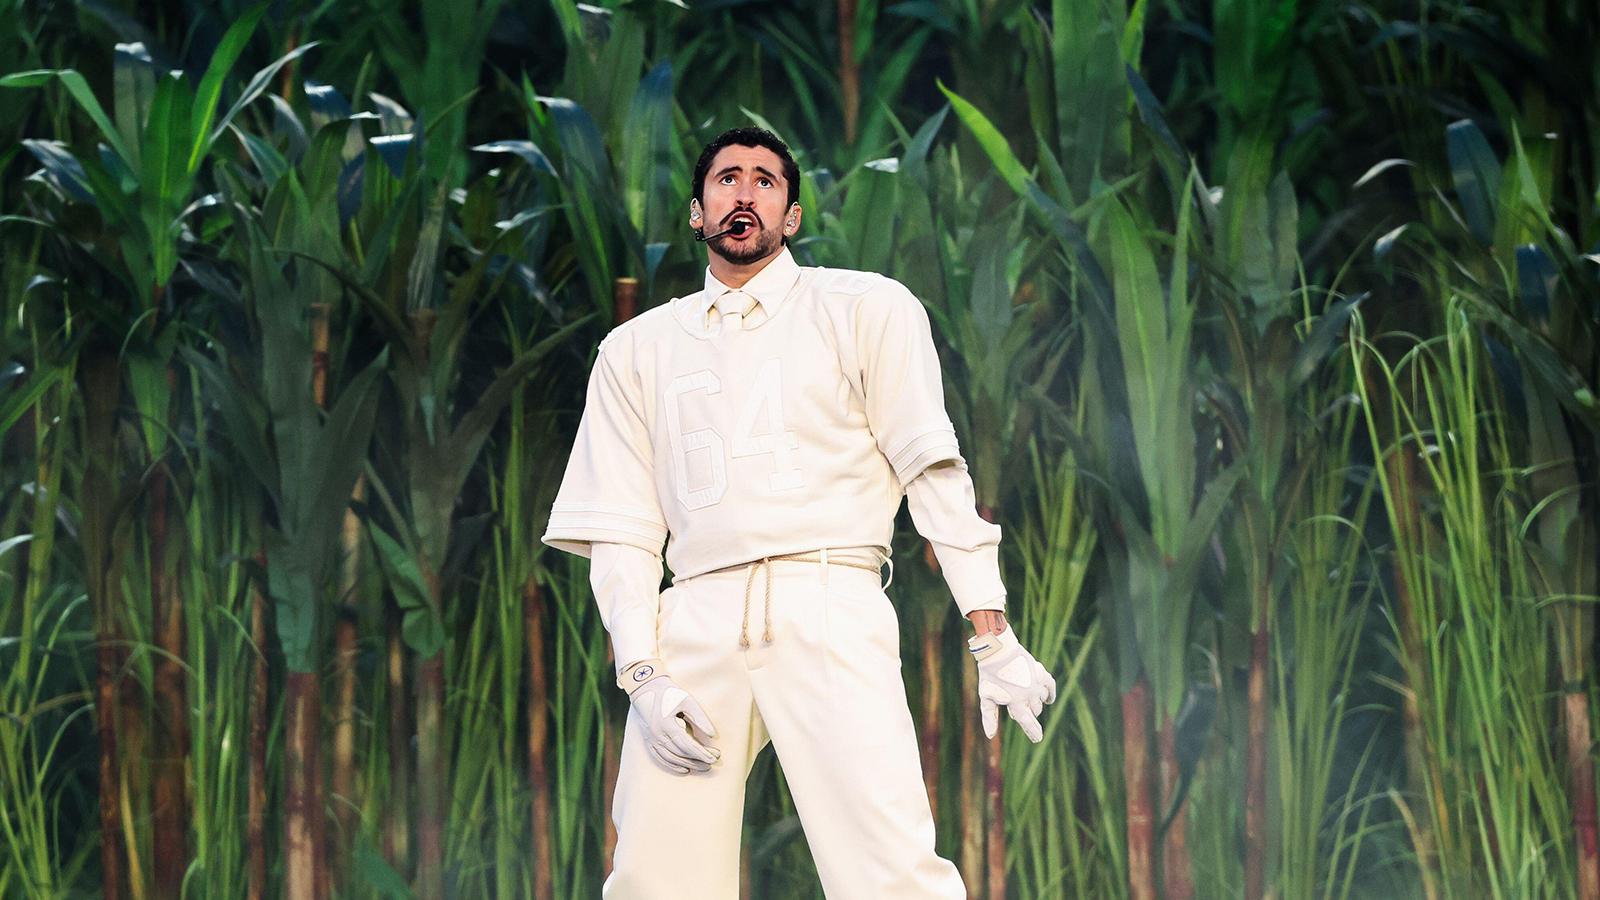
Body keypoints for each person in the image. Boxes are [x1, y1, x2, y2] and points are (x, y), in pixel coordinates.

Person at [541, 126, 1057, 899]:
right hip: (696, 615)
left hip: (829, 598)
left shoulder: (864, 308)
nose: (743, 192)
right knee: (652, 876)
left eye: (765, 181)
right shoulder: (634, 350)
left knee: (890, 873)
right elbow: (624, 530)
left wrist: (993, 637)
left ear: (790, 216)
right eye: (725, 179)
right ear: (696, 212)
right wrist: (642, 674)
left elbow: (933, 470)